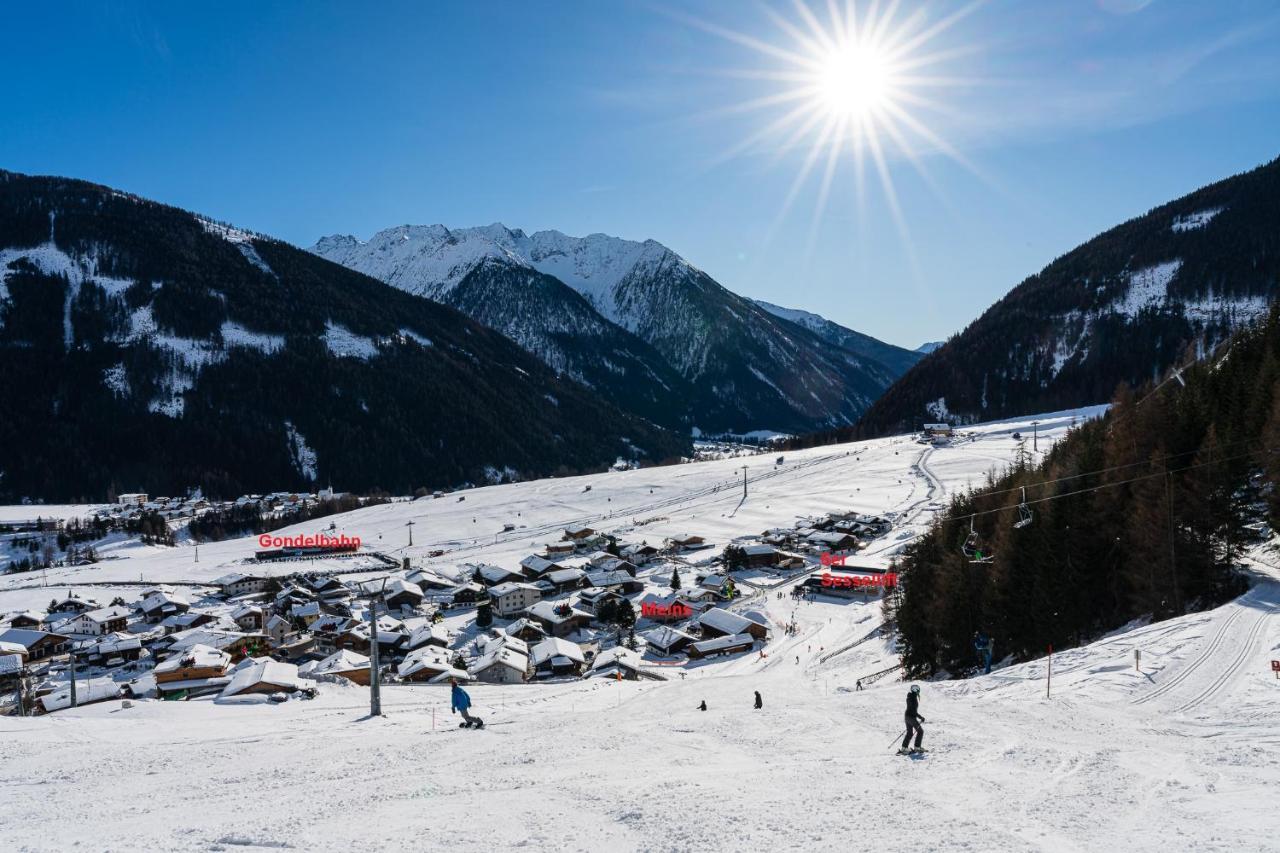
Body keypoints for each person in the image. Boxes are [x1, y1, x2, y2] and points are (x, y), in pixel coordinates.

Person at [900, 685, 925, 754]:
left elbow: (912, 710)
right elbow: (913, 711)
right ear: (915, 690)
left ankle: (904, 748)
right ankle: (917, 747)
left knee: (910, 732)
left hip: (907, 716)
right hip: (911, 717)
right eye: (918, 690)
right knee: (920, 731)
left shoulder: (911, 697)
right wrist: (920, 717)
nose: (919, 691)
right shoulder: (913, 698)